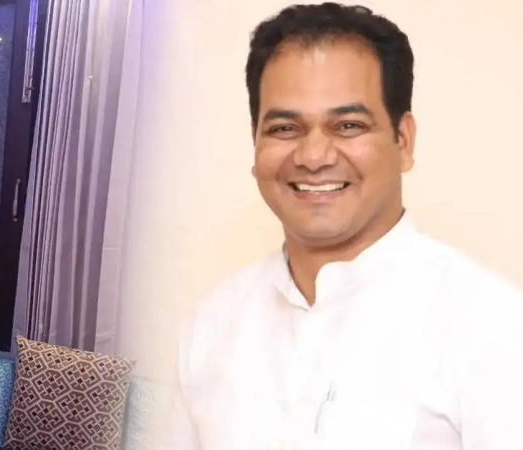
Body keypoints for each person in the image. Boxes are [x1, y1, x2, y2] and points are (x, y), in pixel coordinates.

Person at [161, 3, 523, 449]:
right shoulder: (213, 323)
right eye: (285, 128)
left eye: (348, 125)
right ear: (255, 142)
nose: (314, 157)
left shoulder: (492, 327)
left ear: (403, 141)